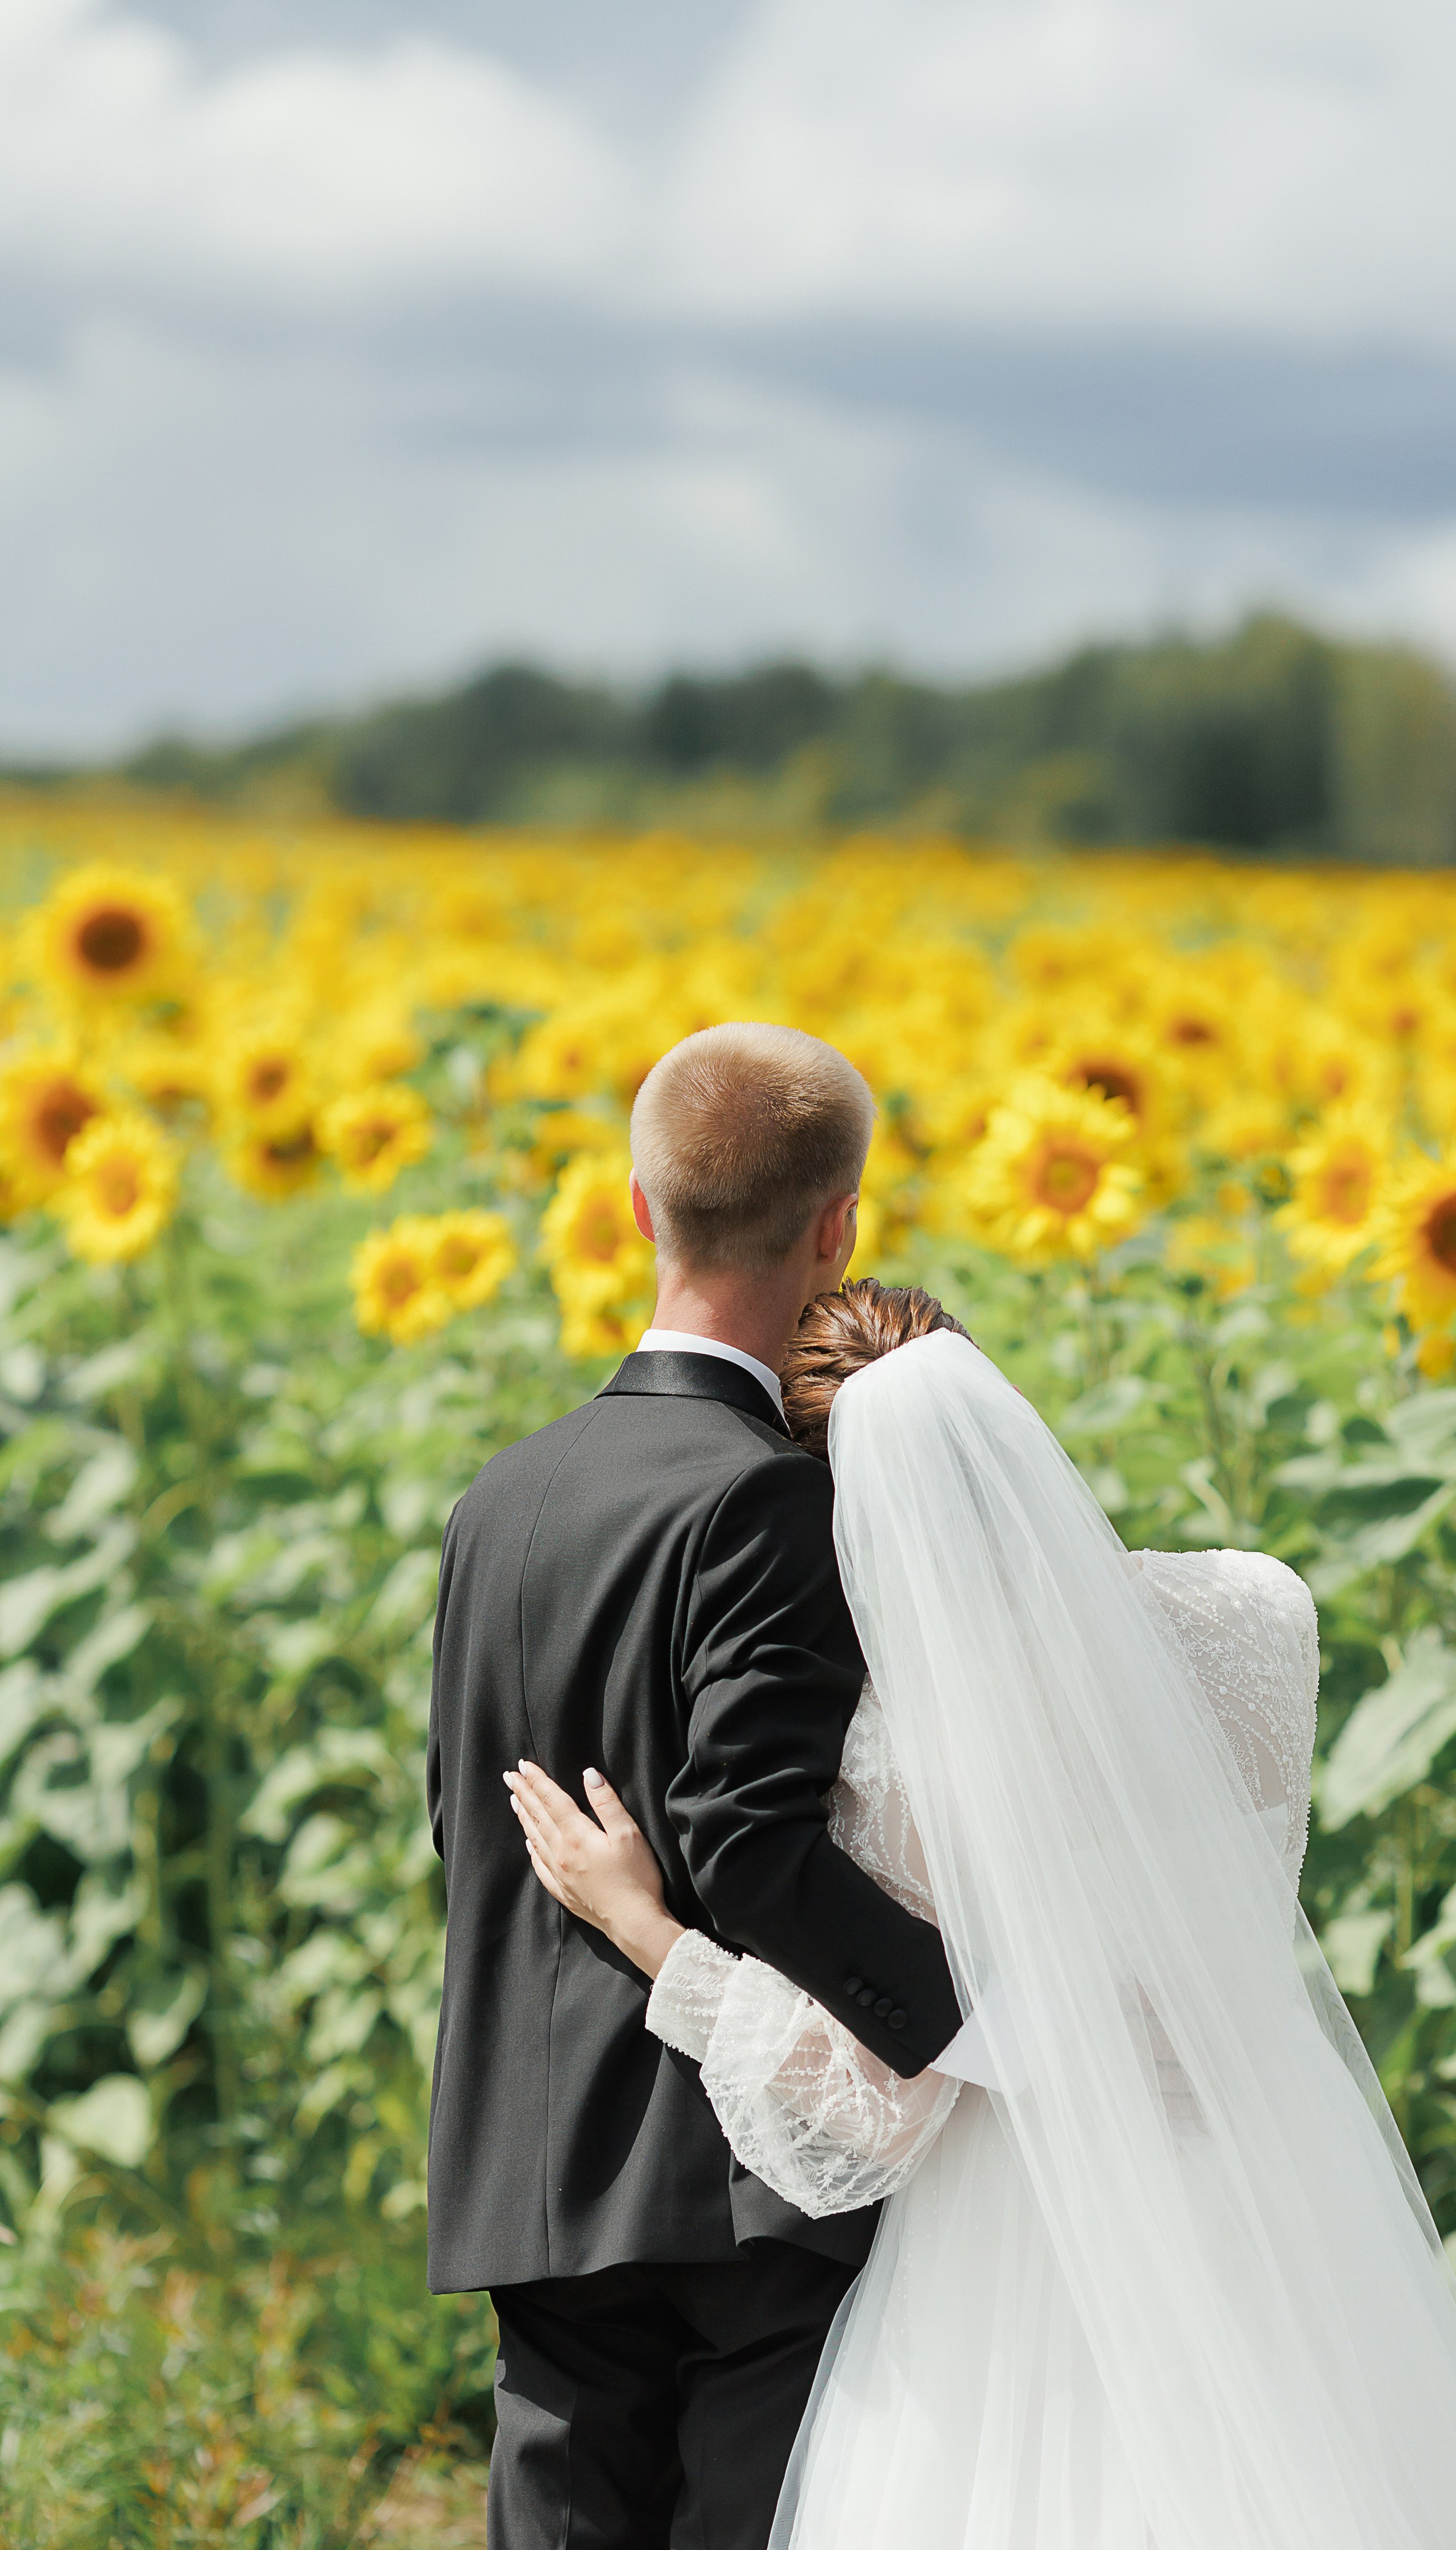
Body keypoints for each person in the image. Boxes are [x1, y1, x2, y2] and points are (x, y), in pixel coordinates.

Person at [509, 1282, 1456, 2550]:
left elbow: (878, 2108)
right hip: (1267, 2169)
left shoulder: (896, 1753)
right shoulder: (1258, 1616)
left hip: (1025, 2235)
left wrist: (647, 1931)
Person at [426, 1028, 963, 2550]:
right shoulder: (767, 1496)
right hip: (736, 2179)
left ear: (637, 1208)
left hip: (534, 2161)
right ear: (836, 1227)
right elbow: (747, 1841)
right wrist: (955, 2016)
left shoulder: (497, 1498)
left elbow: (464, 1817)